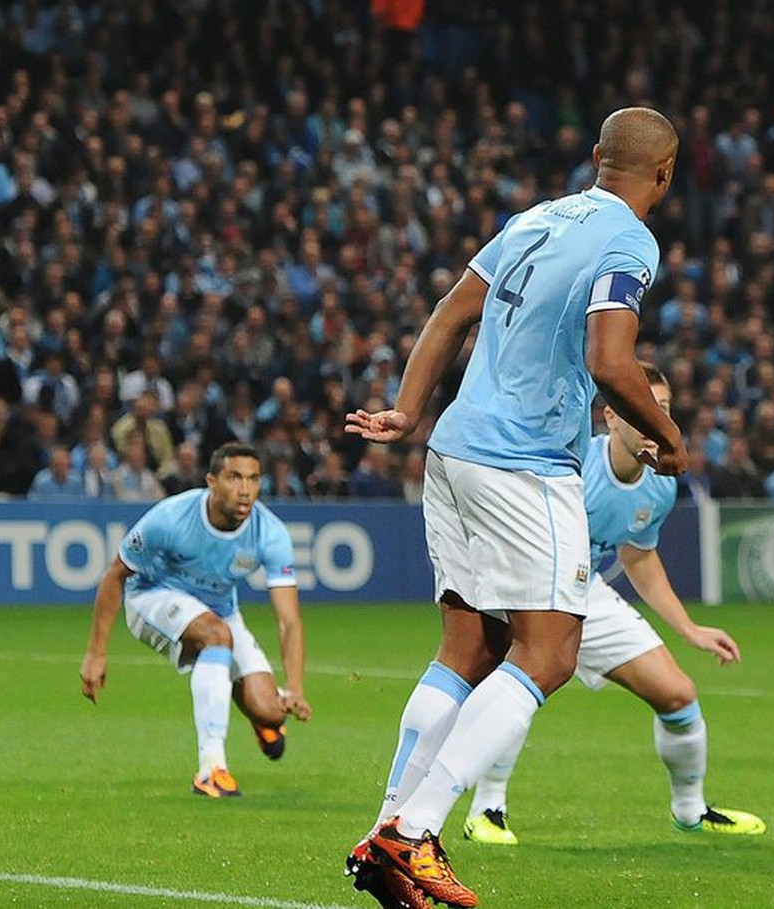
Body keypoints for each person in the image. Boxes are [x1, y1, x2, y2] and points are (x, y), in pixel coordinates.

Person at [342, 107, 687, 909]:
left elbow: (453, 310)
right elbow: (610, 359)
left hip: (454, 446)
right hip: (525, 463)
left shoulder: (533, 217)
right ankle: (412, 833)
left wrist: (407, 409)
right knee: (550, 652)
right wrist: (664, 432)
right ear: (664, 173)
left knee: (470, 646)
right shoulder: (630, 240)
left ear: (596, 155)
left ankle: (385, 829)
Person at [461, 364, 764, 846]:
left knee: (678, 696)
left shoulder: (661, 484)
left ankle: (689, 812)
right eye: (639, 409)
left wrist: (689, 628)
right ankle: (487, 809)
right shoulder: (573, 463)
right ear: (611, 416)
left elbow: (639, 556)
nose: (652, 420)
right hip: (531, 587)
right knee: (521, 687)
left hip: (586, 594)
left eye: (661, 410)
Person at [78, 443, 312, 798]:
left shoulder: (270, 532)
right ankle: (211, 768)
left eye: (253, 479)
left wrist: (294, 688)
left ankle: (261, 720)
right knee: (216, 636)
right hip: (152, 598)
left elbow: (289, 620)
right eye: (234, 478)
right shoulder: (171, 517)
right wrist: (96, 653)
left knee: (271, 710)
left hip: (221, 611)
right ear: (212, 482)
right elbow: (115, 575)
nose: (245, 489)